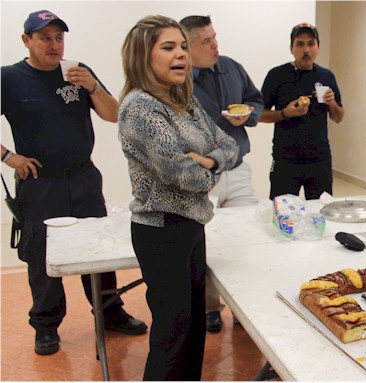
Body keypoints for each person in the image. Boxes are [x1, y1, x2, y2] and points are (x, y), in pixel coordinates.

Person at [0, 9, 146, 356]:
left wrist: (92, 85)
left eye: (59, 37)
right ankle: (46, 326)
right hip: (40, 182)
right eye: (45, 37)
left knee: (99, 250)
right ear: (26, 41)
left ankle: (110, 313)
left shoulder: (77, 73)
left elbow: (114, 115)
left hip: (83, 177)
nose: (54, 45)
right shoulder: (9, 78)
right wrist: (8, 157)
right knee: (42, 257)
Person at [118, 15, 239, 380]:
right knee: (172, 335)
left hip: (191, 225)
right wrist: (208, 170)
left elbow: (230, 146)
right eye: (168, 47)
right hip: (161, 229)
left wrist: (206, 161)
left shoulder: (182, 100)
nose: (181, 54)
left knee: (193, 329)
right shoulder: (140, 107)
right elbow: (181, 175)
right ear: (143, 56)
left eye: (183, 46)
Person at [179, 14, 264, 333]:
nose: (215, 45)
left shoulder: (231, 66)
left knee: (246, 240)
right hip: (202, 178)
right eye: (207, 41)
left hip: (238, 169)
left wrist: (250, 115)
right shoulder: (177, 78)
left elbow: (255, 99)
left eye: (215, 38)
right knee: (207, 243)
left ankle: (244, 307)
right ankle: (211, 307)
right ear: (186, 46)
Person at [259, 23, 345, 200]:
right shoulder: (277, 75)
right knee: (282, 215)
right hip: (286, 159)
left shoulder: (326, 76)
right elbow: (259, 114)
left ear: (318, 48)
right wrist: (285, 113)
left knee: (322, 214)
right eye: (300, 44)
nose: (306, 50)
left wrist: (332, 103)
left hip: (319, 159)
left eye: (311, 44)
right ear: (291, 48)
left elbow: (338, 117)